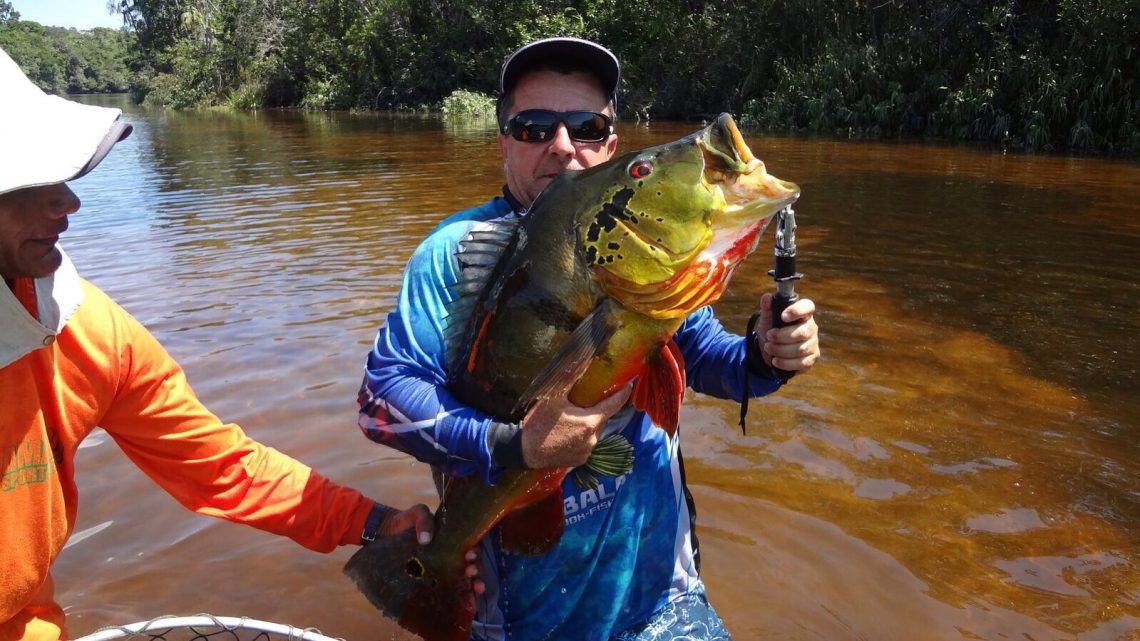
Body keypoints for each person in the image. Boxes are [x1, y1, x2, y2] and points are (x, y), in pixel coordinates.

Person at [0, 48, 480, 641]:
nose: (68, 202)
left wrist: (377, 523)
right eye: (27, 180)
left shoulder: (87, 330)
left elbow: (221, 467)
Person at [357, 37, 820, 640]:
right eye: (532, 127)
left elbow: (719, 365)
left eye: (586, 126)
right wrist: (516, 446)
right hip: (517, 621)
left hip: (667, 607)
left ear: (610, 143)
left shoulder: (653, 274)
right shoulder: (453, 254)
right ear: (502, 142)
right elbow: (381, 400)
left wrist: (767, 354)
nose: (562, 146)